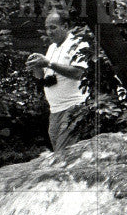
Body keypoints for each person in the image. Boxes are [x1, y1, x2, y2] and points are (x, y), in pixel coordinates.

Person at [26, 10, 93, 152]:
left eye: (53, 27)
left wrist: (49, 64)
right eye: (47, 28)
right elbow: (41, 77)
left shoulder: (78, 44)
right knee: (60, 154)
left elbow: (78, 73)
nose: (49, 32)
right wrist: (36, 66)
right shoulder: (51, 48)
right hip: (55, 110)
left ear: (66, 26)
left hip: (73, 108)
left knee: (64, 155)